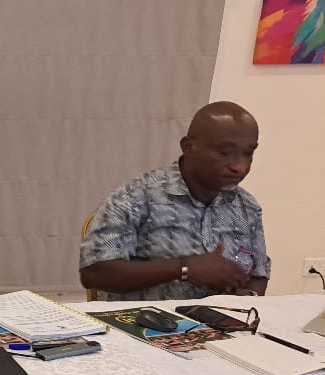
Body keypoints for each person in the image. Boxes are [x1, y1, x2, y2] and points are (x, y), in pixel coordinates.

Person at [80, 101, 269, 301]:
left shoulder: (247, 207)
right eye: (224, 152)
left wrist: (247, 298)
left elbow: (259, 275)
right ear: (189, 147)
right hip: (147, 319)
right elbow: (94, 272)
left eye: (248, 154)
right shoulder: (137, 197)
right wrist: (184, 268)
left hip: (223, 319)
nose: (240, 166)